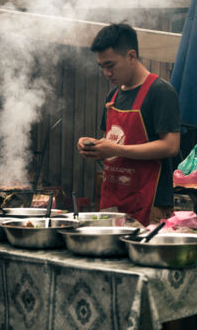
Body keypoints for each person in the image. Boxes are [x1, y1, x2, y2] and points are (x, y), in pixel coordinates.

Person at [77, 23, 181, 226]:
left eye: (110, 65)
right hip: (114, 200)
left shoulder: (161, 92)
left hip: (150, 203)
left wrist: (116, 149)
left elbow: (170, 146)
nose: (107, 73)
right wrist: (93, 146)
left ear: (131, 56)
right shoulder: (113, 96)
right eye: (102, 67)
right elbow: (114, 141)